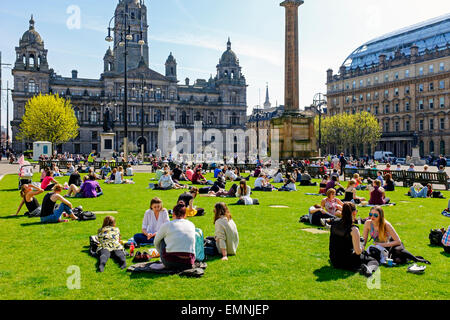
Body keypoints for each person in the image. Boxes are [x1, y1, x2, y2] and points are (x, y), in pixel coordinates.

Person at [362, 206, 430, 265]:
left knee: (398, 251)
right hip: (381, 247)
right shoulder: (368, 223)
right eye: (370, 214)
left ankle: (417, 259)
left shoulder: (386, 224)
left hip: (393, 244)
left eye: (375, 215)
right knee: (397, 261)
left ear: (381, 216)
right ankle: (409, 258)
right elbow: (364, 239)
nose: (372, 217)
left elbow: (398, 241)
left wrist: (381, 244)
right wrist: (362, 249)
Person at [329, 202, 379, 277]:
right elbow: (358, 252)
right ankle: (367, 269)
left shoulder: (334, 222)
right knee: (373, 261)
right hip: (347, 261)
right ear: (354, 212)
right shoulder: (353, 229)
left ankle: (360, 267)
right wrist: (362, 245)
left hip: (334, 260)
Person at [154, 203, 196, 271]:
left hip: (170, 262)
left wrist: (161, 254)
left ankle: (163, 261)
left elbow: (156, 241)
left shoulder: (167, 225)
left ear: (173, 214)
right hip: (188, 263)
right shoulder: (191, 225)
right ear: (185, 215)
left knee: (161, 239)